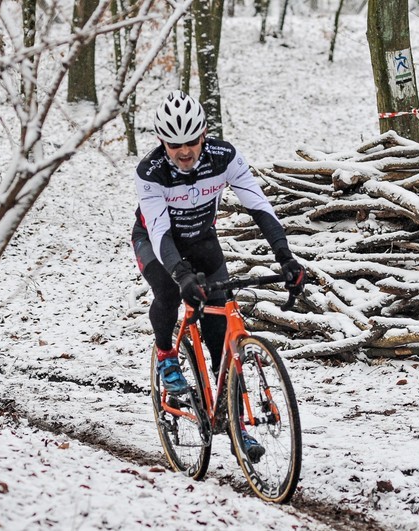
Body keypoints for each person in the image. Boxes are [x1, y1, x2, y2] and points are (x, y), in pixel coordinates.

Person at [131, 90, 306, 461]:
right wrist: (181, 274)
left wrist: (285, 257)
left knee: (219, 335)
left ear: (204, 134)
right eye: (174, 144)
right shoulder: (150, 171)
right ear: (162, 141)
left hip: (202, 242)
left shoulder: (224, 157)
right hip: (156, 243)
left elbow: (259, 205)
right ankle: (166, 354)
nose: (184, 151)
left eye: (191, 141)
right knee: (168, 293)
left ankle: (235, 423)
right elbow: (160, 230)